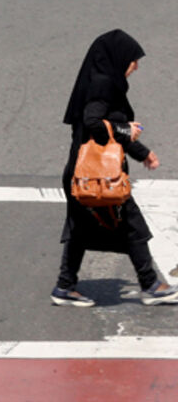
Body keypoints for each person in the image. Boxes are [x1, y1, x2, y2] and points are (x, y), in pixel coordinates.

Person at [51, 29, 178, 307]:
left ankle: (64, 286)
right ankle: (150, 284)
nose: (136, 66)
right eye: (134, 60)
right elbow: (94, 123)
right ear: (118, 58)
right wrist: (125, 129)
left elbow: (108, 136)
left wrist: (143, 153)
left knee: (81, 229)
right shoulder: (103, 85)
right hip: (97, 177)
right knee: (132, 225)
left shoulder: (102, 82)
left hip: (85, 174)